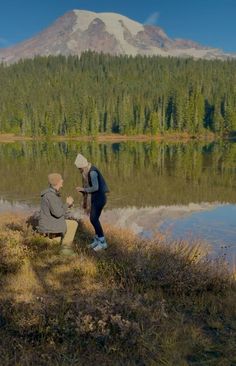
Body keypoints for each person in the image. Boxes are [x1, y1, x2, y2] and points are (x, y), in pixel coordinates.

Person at [74, 153, 109, 251]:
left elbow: (95, 187)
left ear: (82, 166)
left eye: (79, 168)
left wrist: (83, 189)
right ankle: (97, 240)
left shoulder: (92, 172)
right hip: (96, 197)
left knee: (93, 219)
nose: (79, 170)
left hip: (100, 198)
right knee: (94, 219)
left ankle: (103, 242)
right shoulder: (88, 170)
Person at [38, 173, 78, 256]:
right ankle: (65, 250)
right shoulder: (50, 195)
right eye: (61, 179)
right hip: (49, 227)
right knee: (72, 224)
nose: (62, 180)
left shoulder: (52, 193)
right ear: (57, 182)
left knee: (73, 224)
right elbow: (58, 213)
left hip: (51, 222)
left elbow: (58, 210)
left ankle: (63, 247)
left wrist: (68, 206)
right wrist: (67, 203)